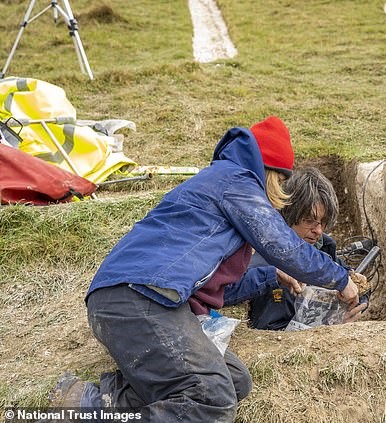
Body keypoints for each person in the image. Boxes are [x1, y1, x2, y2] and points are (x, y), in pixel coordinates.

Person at [48, 116, 360, 423]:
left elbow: (221, 290)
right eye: (281, 182)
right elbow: (284, 247)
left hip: (144, 298)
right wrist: (340, 278)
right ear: (270, 172)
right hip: (138, 299)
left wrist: (270, 274)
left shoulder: (223, 185)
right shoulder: (236, 182)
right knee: (213, 397)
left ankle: (88, 400)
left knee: (236, 381)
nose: (280, 193)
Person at [223, 167, 368, 330]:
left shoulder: (323, 247)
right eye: (309, 221)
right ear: (289, 215)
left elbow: (351, 281)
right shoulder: (266, 268)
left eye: (323, 222)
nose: (318, 230)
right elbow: (270, 332)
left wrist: (358, 298)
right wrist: (332, 325)